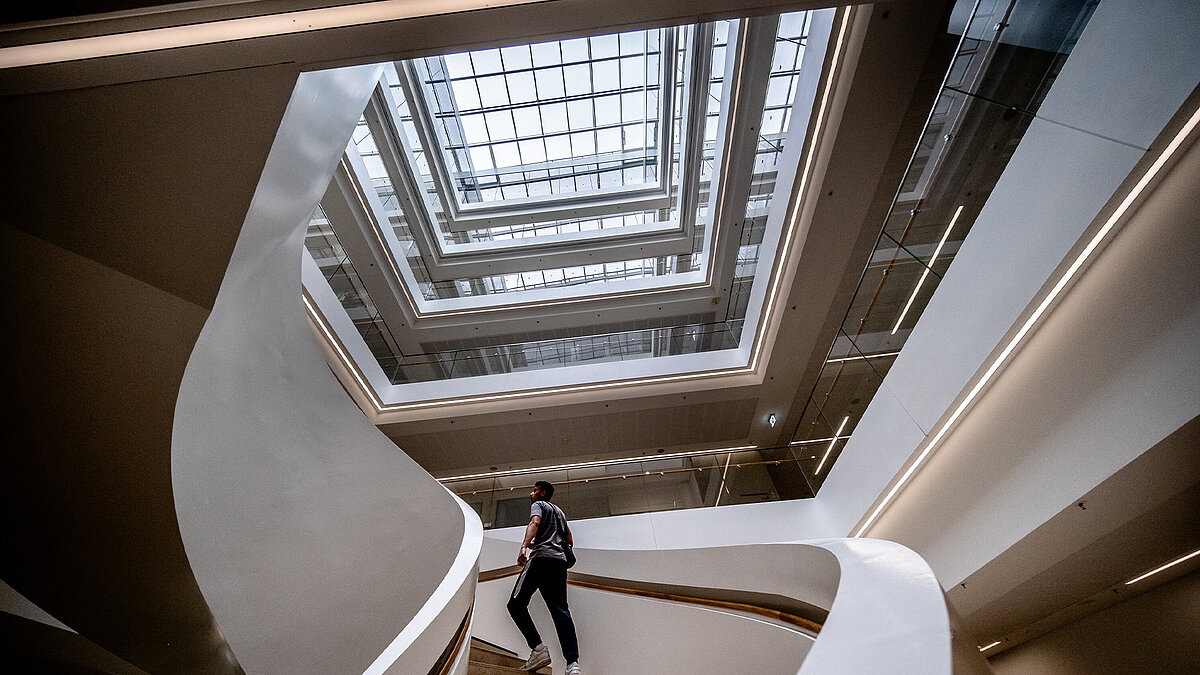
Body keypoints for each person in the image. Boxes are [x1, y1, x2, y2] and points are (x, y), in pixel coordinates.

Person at [507, 480, 581, 675]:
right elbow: (569, 539)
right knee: (561, 611)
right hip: (559, 564)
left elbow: (535, 523)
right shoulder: (559, 512)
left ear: (542, 493)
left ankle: (538, 649)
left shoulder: (538, 505)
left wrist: (524, 546)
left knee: (515, 604)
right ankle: (572, 664)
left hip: (540, 560)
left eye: (534, 490)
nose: (531, 494)